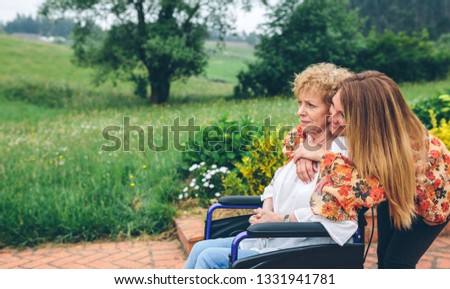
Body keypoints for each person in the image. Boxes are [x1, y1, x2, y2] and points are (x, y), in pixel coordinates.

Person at [184, 63, 354, 269]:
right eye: (299, 103)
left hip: (304, 250)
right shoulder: (304, 144)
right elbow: (274, 185)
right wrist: (266, 212)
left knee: (209, 259)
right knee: (200, 249)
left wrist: (278, 220)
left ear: (333, 109)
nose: (300, 111)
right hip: (271, 239)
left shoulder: (341, 157)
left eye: (310, 105)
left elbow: (335, 216)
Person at [292, 71, 450, 269]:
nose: (332, 117)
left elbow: (361, 190)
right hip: (394, 192)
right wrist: (305, 150)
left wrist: (322, 156)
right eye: (333, 105)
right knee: (383, 256)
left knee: (396, 263)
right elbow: (299, 132)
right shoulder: (360, 124)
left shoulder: (407, 149)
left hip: (426, 203)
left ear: (367, 119)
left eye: (342, 114)